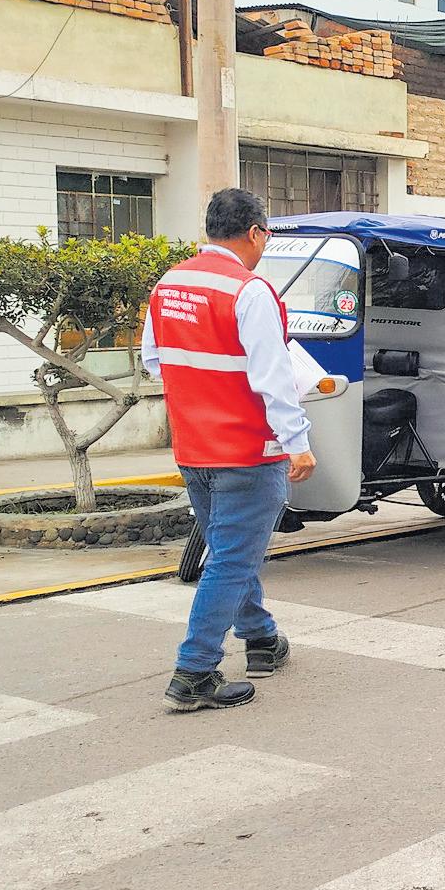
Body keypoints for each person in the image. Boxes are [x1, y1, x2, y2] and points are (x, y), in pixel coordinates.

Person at [140, 188, 314, 712]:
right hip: (246, 450)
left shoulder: (170, 284)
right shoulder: (250, 290)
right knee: (232, 559)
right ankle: (194, 671)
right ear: (256, 233)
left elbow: (154, 360)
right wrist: (297, 443)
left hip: (193, 447)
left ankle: (261, 639)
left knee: (231, 550)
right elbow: (273, 378)